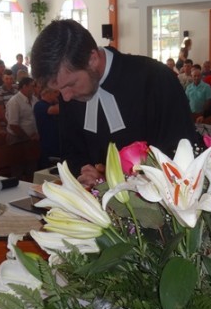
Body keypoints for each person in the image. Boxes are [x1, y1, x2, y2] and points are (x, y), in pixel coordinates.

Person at [30, 19, 196, 187]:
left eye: (71, 85)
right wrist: (86, 175)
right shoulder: (71, 93)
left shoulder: (156, 79)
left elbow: (181, 153)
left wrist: (114, 181)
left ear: (92, 59)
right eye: (59, 90)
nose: (65, 98)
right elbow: (72, 153)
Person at [5, 77, 39, 145]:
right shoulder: (14, 101)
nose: (34, 88)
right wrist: (27, 138)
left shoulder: (34, 99)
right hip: (17, 138)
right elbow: (13, 125)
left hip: (33, 137)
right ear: (24, 86)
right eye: (32, 86)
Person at [34, 87, 60, 169]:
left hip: (57, 141)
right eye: (55, 92)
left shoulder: (52, 104)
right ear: (48, 94)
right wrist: (63, 101)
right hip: (47, 141)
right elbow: (54, 110)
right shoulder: (39, 105)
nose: (57, 95)